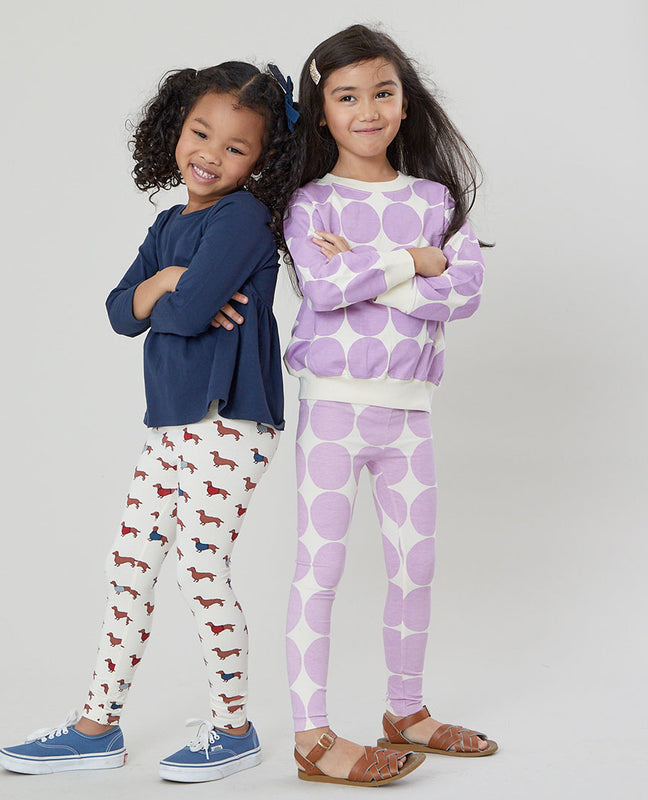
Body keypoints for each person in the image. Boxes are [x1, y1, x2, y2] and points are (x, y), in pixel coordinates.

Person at [0, 60, 300, 783]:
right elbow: (117, 313)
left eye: (236, 147)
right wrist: (168, 282)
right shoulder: (168, 225)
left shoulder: (245, 219)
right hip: (169, 423)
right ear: (176, 129)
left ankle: (234, 728)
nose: (211, 154)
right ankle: (96, 727)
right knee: (128, 568)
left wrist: (167, 300)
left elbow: (186, 316)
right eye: (201, 133)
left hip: (231, 418)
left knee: (200, 566)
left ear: (261, 160)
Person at [283, 24, 498, 786]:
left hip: (411, 414)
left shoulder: (435, 200)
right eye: (347, 96)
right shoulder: (311, 204)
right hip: (333, 414)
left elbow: (464, 293)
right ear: (322, 112)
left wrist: (374, 273)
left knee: (415, 564)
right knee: (320, 566)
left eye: (382, 92)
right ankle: (311, 734)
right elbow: (323, 288)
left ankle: (406, 710)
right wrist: (414, 261)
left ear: (406, 103)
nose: (367, 109)